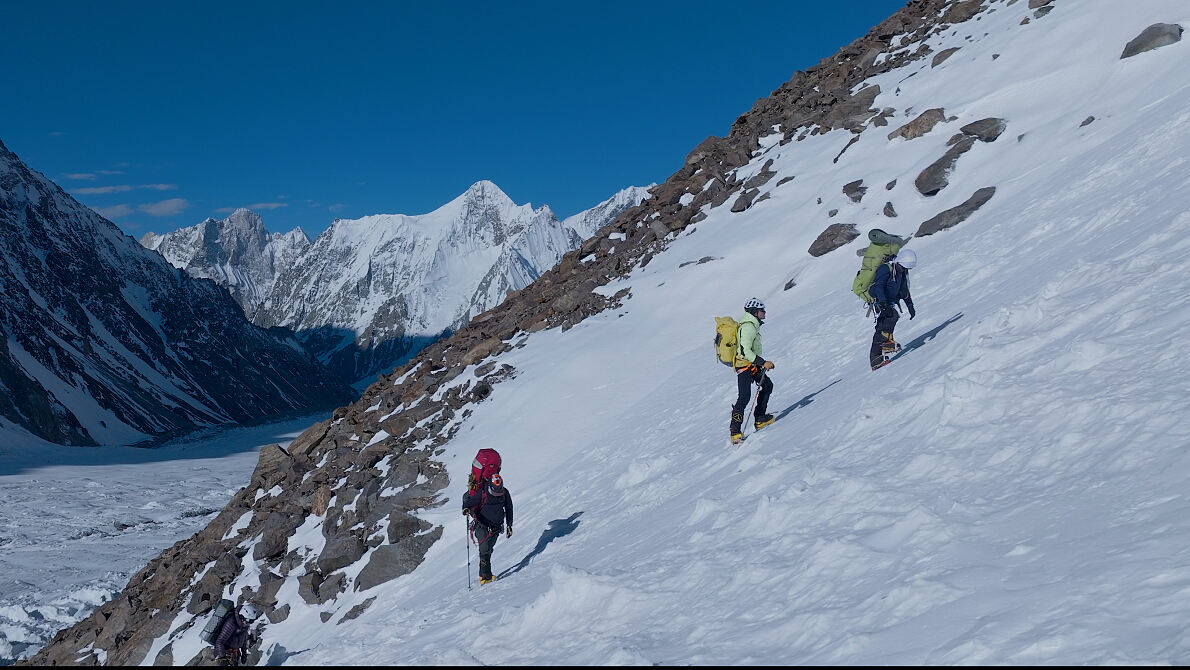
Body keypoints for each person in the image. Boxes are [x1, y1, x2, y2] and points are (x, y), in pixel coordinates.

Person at [730, 298, 775, 445]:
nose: (765, 313)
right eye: (762, 311)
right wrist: (763, 362)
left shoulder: (752, 325)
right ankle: (735, 431)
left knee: (767, 385)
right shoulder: (749, 326)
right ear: (755, 312)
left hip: (751, 365)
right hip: (744, 366)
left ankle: (760, 419)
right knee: (744, 397)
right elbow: (744, 351)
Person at [868, 248, 917, 370]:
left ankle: (877, 356)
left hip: (888, 301)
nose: (905, 270)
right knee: (890, 317)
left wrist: (910, 306)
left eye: (907, 268)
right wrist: (883, 304)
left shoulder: (901, 272)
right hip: (879, 299)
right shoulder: (886, 268)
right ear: (899, 262)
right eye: (904, 267)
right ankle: (885, 345)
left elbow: (904, 291)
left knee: (886, 322)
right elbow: (879, 286)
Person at [463, 472, 514, 585]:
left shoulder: (504, 493)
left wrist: (509, 525)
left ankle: (485, 575)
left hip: (496, 526)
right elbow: (469, 502)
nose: (497, 493)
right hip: (481, 524)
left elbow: (509, 508)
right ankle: (485, 577)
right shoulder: (483, 493)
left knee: (488, 550)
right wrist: (465, 509)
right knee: (484, 549)